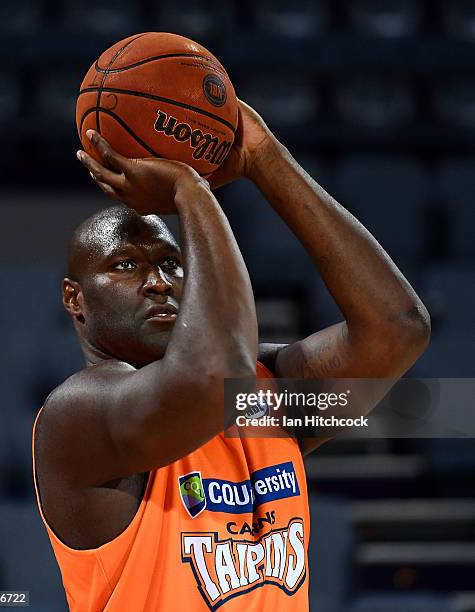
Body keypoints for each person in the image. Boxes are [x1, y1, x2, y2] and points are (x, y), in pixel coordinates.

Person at [32, 101, 431, 611]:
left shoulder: (262, 399)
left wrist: (267, 160)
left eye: (173, 264)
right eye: (126, 264)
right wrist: (189, 189)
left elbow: (397, 328)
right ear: (74, 298)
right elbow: (214, 375)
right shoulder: (77, 416)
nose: (159, 282)